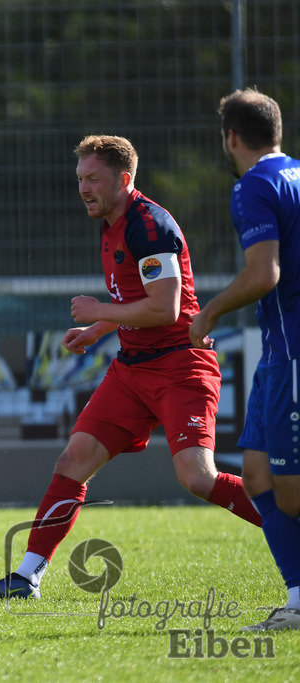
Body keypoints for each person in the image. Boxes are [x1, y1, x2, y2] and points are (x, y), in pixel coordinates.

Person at [0, 134, 262, 601]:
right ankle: (25, 577)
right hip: (132, 368)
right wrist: (98, 330)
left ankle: (288, 527)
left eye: (93, 179)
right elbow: (135, 300)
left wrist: (98, 311)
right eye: (80, 179)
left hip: (181, 366)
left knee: (197, 478)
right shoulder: (110, 221)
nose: (84, 188)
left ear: (125, 179)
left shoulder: (150, 226)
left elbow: (165, 310)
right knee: (73, 461)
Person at [191, 88, 300, 632]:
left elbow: (264, 275)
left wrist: (207, 314)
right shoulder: (298, 175)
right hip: (279, 352)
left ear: (231, 137)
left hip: (294, 354)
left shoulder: (254, 185)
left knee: (292, 490)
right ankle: (298, 600)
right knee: (256, 473)